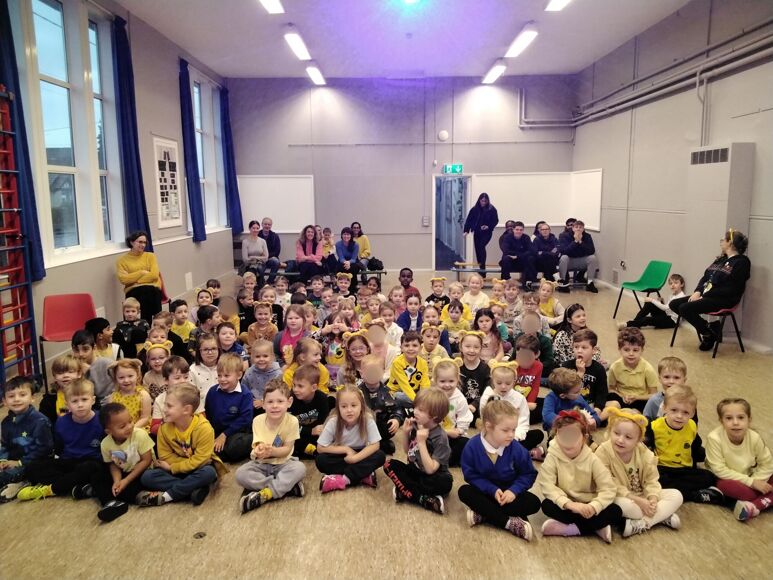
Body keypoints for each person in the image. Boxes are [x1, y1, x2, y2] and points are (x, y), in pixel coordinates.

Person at [458, 400, 540, 541]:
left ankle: (484, 513)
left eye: (513, 430)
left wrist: (513, 491)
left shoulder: (517, 449)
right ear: (488, 426)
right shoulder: (472, 446)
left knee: (534, 503)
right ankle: (508, 523)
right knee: (464, 491)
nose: (511, 435)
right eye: (505, 430)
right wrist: (491, 489)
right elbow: (471, 475)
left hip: (508, 495)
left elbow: (528, 474)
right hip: (485, 492)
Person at [595, 408, 683, 537]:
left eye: (628, 437)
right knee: (623, 506)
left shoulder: (644, 452)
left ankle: (643, 523)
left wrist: (653, 499)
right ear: (610, 431)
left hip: (643, 495)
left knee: (676, 495)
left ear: (638, 440)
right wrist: (637, 500)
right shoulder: (603, 452)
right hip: (621, 496)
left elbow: (651, 480)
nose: (620, 440)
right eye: (616, 433)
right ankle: (662, 516)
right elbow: (608, 484)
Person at [537, 411, 622, 542]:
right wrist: (569, 504)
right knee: (547, 505)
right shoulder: (552, 456)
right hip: (568, 504)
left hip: (589, 504)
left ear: (584, 438)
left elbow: (608, 488)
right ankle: (595, 527)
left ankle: (571, 529)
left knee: (616, 511)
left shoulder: (593, 459)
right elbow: (547, 485)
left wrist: (594, 506)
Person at [138, 383, 225, 506]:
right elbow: (165, 456)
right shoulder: (164, 428)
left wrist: (172, 468)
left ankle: (167, 496)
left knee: (208, 473)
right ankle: (192, 489)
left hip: (197, 468)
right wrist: (178, 466)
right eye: (165, 405)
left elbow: (200, 460)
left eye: (169, 406)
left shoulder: (204, 428)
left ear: (186, 410)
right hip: (180, 470)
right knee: (147, 476)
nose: (164, 409)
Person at [18, 379, 103, 502]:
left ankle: (51, 489)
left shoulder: (102, 419)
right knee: (32, 468)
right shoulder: (62, 422)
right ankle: (75, 485)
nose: (80, 405)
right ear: (67, 404)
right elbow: (59, 447)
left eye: (84, 399)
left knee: (92, 469)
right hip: (69, 460)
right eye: (74, 401)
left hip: (92, 461)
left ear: (93, 400)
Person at [669, 229, 751, 351]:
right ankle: (710, 328)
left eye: (724, 239)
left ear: (730, 243)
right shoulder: (721, 259)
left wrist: (706, 295)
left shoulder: (742, 262)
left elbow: (732, 289)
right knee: (675, 304)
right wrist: (698, 291)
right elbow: (705, 278)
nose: (721, 241)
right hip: (707, 295)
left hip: (724, 299)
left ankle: (708, 334)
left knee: (685, 308)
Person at [644, 385, 723, 504]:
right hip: (662, 468)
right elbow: (645, 450)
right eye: (674, 410)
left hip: (684, 469)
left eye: (685, 412)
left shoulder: (692, 426)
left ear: (692, 413)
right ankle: (694, 495)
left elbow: (695, 448)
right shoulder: (654, 427)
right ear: (664, 408)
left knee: (709, 477)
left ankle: (678, 492)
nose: (679, 416)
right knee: (652, 480)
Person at [236, 380, 306, 514]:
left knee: (299, 468)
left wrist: (272, 451)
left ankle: (266, 493)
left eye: (280, 401)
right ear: (263, 404)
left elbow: (287, 449)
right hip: (261, 464)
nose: (275, 406)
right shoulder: (257, 420)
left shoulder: (292, 421)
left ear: (289, 402)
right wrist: (259, 450)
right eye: (270, 402)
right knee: (241, 474)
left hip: (284, 463)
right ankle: (286, 487)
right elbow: (257, 445)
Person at [383, 388, 453, 514]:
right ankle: (423, 499)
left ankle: (406, 491)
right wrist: (405, 433)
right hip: (415, 470)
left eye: (420, 410)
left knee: (446, 483)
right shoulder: (416, 424)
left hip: (433, 477)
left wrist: (421, 442)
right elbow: (408, 452)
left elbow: (431, 469)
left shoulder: (440, 438)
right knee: (388, 464)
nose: (415, 411)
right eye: (415, 407)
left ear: (434, 416)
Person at [706, 398, 773, 521]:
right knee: (730, 487)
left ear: (749, 420)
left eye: (741, 417)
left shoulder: (754, 437)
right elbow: (719, 470)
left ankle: (752, 506)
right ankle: (762, 501)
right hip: (727, 479)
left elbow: (767, 464)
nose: (735, 422)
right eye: (729, 418)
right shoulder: (714, 438)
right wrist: (752, 483)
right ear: (721, 421)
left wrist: (757, 481)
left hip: (751, 475)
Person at [316, 386, 386, 493]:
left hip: (361, 454)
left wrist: (355, 458)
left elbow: (375, 445)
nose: (349, 410)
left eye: (353, 405)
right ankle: (363, 475)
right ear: (338, 408)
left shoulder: (367, 419)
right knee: (321, 460)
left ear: (361, 406)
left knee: (380, 456)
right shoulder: (333, 422)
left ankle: (344, 480)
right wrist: (346, 449)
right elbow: (320, 448)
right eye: (344, 406)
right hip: (342, 455)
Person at [92, 402, 155, 522]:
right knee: (97, 477)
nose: (129, 427)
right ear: (109, 431)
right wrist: (117, 481)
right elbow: (112, 464)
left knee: (140, 483)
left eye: (130, 421)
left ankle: (124, 498)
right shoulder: (105, 444)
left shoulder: (140, 435)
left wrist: (126, 481)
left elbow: (147, 461)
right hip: (124, 471)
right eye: (122, 426)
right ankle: (111, 503)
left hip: (143, 471)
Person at [0, 377, 53, 501]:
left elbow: (45, 449)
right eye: (11, 396)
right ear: (5, 401)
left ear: (32, 398)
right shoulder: (6, 422)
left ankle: (23, 483)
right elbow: (5, 445)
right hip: (13, 460)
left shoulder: (40, 421)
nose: (16, 399)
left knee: (7, 476)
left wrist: (19, 462)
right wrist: (2, 460)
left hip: (34, 462)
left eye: (22, 395)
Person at [204, 353, 253, 463]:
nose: (222, 379)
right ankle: (216, 453)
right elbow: (208, 415)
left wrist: (225, 434)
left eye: (226, 376)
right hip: (215, 431)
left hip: (235, 433)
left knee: (234, 446)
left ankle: (217, 455)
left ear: (239, 375)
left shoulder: (245, 394)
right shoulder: (212, 391)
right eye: (219, 375)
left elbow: (245, 420)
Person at [359, 354, 404, 455]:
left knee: (389, 427)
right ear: (361, 373)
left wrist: (396, 419)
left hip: (380, 426)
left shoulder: (387, 392)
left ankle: (378, 443)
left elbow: (397, 408)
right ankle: (373, 445)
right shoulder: (357, 392)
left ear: (382, 372)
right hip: (362, 426)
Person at [606, 328, 659, 412]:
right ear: (620, 350)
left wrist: (636, 397)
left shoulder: (648, 369)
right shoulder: (614, 367)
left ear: (642, 350)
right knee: (610, 399)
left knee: (651, 403)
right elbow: (611, 389)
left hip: (640, 400)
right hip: (622, 398)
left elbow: (654, 394)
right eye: (626, 350)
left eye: (635, 350)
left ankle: (630, 414)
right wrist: (622, 396)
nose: (631, 354)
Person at [433, 359, 473, 467]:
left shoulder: (460, 399)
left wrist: (459, 430)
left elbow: (464, 418)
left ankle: (444, 460)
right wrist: (445, 432)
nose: (447, 385)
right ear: (435, 380)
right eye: (442, 381)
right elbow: (425, 420)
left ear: (457, 380)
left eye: (451, 381)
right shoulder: (431, 396)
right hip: (434, 435)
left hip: (453, 436)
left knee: (467, 444)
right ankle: (441, 459)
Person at [115, 231, 162, 322]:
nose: (143, 245)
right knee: (144, 292)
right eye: (140, 242)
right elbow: (124, 279)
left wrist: (136, 281)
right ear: (132, 242)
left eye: (144, 242)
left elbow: (154, 275)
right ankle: (147, 324)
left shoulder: (150, 256)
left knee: (150, 291)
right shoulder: (122, 261)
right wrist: (141, 272)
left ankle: (153, 323)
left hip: (152, 289)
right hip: (134, 291)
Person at [289, 364, 330, 458]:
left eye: (300, 386)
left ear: (314, 387)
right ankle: (313, 452)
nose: (295, 389)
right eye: (294, 385)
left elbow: (324, 422)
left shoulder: (322, 398)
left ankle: (313, 451)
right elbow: (289, 425)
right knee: (290, 439)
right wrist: (310, 431)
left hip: (316, 435)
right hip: (299, 434)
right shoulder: (291, 399)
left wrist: (319, 430)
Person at [619, 274, 686, 330]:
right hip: (667, 315)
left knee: (647, 319)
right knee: (649, 304)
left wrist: (652, 300)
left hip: (672, 322)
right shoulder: (673, 295)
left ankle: (629, 324)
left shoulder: (681, 297)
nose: (673, 285)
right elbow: (669, 308)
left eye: (676, 283)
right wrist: (662, 302)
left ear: (682, 284)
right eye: (671, 283)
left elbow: (665, 308)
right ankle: (635, 323)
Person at [542, 368, 600, 432]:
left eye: (580, 389)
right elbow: (547, 415)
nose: (580, 393)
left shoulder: (578, 398)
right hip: (557, 428)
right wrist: (566, 423)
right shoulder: (551, 398)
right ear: (563, 395)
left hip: (576, 427)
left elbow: (592, 413)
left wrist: (594, 420)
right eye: (576, 392)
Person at [106, 359, 151, 432]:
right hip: (119, 431)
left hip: (138, 429)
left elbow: (145, 418)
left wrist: (130, 429)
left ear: (137, 375)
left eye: (130, 376)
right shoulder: (112, 398)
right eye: (121, 377)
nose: (126, 380)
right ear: (116, 378)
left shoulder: (143, 395)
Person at [557, 220, 599, 293]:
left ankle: (590, 283)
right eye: (576, 227)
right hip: (569, 261)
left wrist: (580, 242)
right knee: (564, 257)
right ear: (573, 228)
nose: (578, 229)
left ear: (583, 229)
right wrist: (575, 242)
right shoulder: (564, 236)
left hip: (581, 260)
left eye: (580, 227)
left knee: (592, 258)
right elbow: (564, 251)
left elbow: (591, 251)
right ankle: (563, 283)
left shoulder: (587, 236)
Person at [242, 340, 282, 415]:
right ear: (252, 357)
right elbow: (244, 389)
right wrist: (250, 401)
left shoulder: (277, 373)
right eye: (257, 356)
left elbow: (278, 393)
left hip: (272, 404)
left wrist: (263, 401)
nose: (261, 359)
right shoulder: (249, 372)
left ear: (272, 357)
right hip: (253, 404)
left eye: (265, 356)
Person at [642, 356, 688, 422]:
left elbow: (693, 423)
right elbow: (645, 422)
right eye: (666, 377)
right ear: (660, 379)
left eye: (676, 378)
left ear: (684, 380)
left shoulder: (689, 401)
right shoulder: (654, 400)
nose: (671, 381)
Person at [463, 192, 499, 274]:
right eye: (482, 201)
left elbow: (495, 220)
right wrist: (466, 231)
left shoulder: (492, 209)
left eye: (485, 201)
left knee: (481, 246)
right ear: (479, 200)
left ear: (487, 201)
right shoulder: (474, 209)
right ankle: (481, 267)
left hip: (486, 233)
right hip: (477, 232)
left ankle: (483, 270)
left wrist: (488, 226)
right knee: (478, 249)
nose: (483, 203)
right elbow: (469, 220)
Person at [500, 221, 537, 287]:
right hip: (511, 261)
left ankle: (528, 284)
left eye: (521, 230)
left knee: (530, 258)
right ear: (513, 229)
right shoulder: (507, 237)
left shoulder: (526, 237)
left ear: (523, 230)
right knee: (505, 258)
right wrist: (520, 254)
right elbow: (505, 250)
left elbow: (531, 251)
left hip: (522, 260)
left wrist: (517, 256)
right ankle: (506, 281)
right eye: (517, 229)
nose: (519, 231)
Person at [335, 227, 361, 291]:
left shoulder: (356, 244)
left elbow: (354, 259)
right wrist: (346, 263)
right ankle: (340, 286)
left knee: (353, 267)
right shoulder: (338, 244)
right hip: (342, 261)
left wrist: (349, 262)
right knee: (340, 267)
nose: (346, 236)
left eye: (348, 234)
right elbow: (341, 257)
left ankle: (353, 287)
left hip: (353, 261)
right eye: (344, 234)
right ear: (342, 235)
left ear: (351, 235)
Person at [257, 217, 281, 284]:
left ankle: (269, 281)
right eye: (265, 224)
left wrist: (267, 256)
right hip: (260, 259)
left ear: (271, 225)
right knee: (259, 268)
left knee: (276, 262)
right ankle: (261, 283)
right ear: (262, 224)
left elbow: (277, 251)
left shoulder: (275, 236)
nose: (267, 226)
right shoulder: (257, 235)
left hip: (271, 258)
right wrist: (262, 257)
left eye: (269, 224)